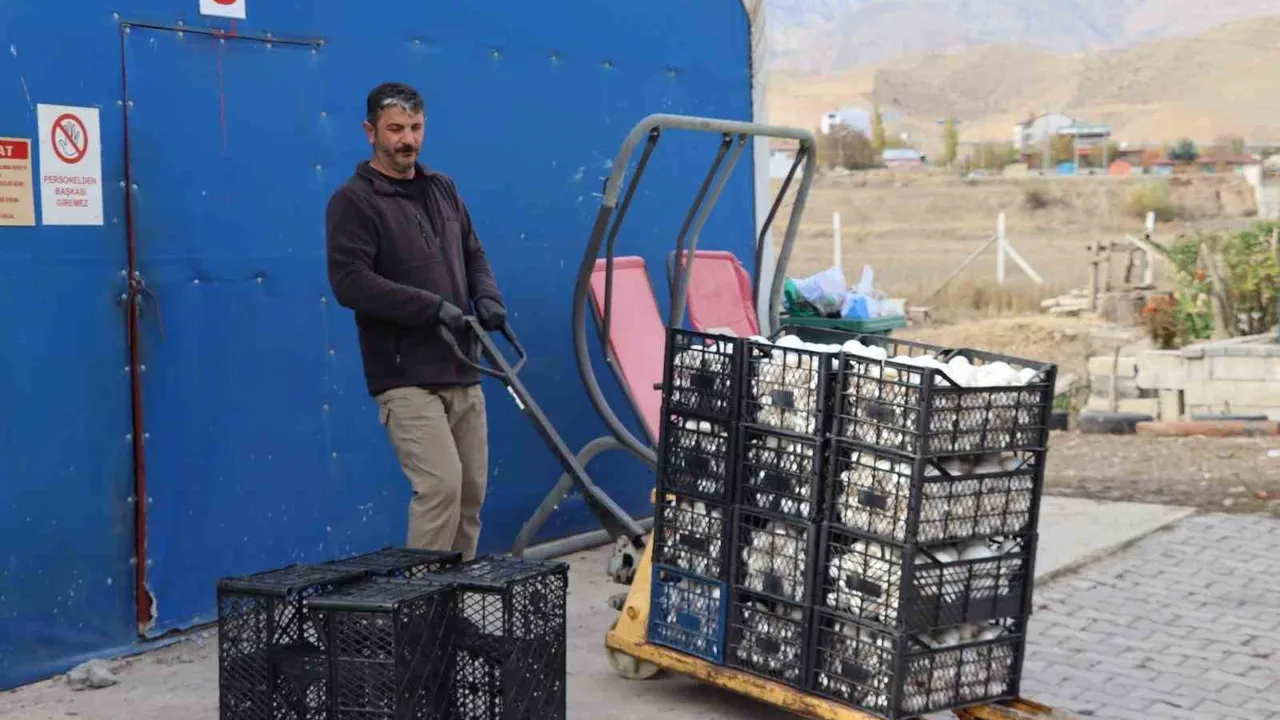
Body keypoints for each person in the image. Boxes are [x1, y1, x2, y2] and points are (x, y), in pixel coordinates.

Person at [324, 82, 507, 560]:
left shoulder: (443, 189)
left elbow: (474, 254)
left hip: (463, 366)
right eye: (395, 130)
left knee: (470, 494)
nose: (407, 140)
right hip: (405, 375)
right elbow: (351, 282)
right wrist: (431, 307)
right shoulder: (354, 201)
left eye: (416, 128)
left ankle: (455, 608)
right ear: (370, 132)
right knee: (441, 488)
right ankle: (421, 618)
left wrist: (487, 297)